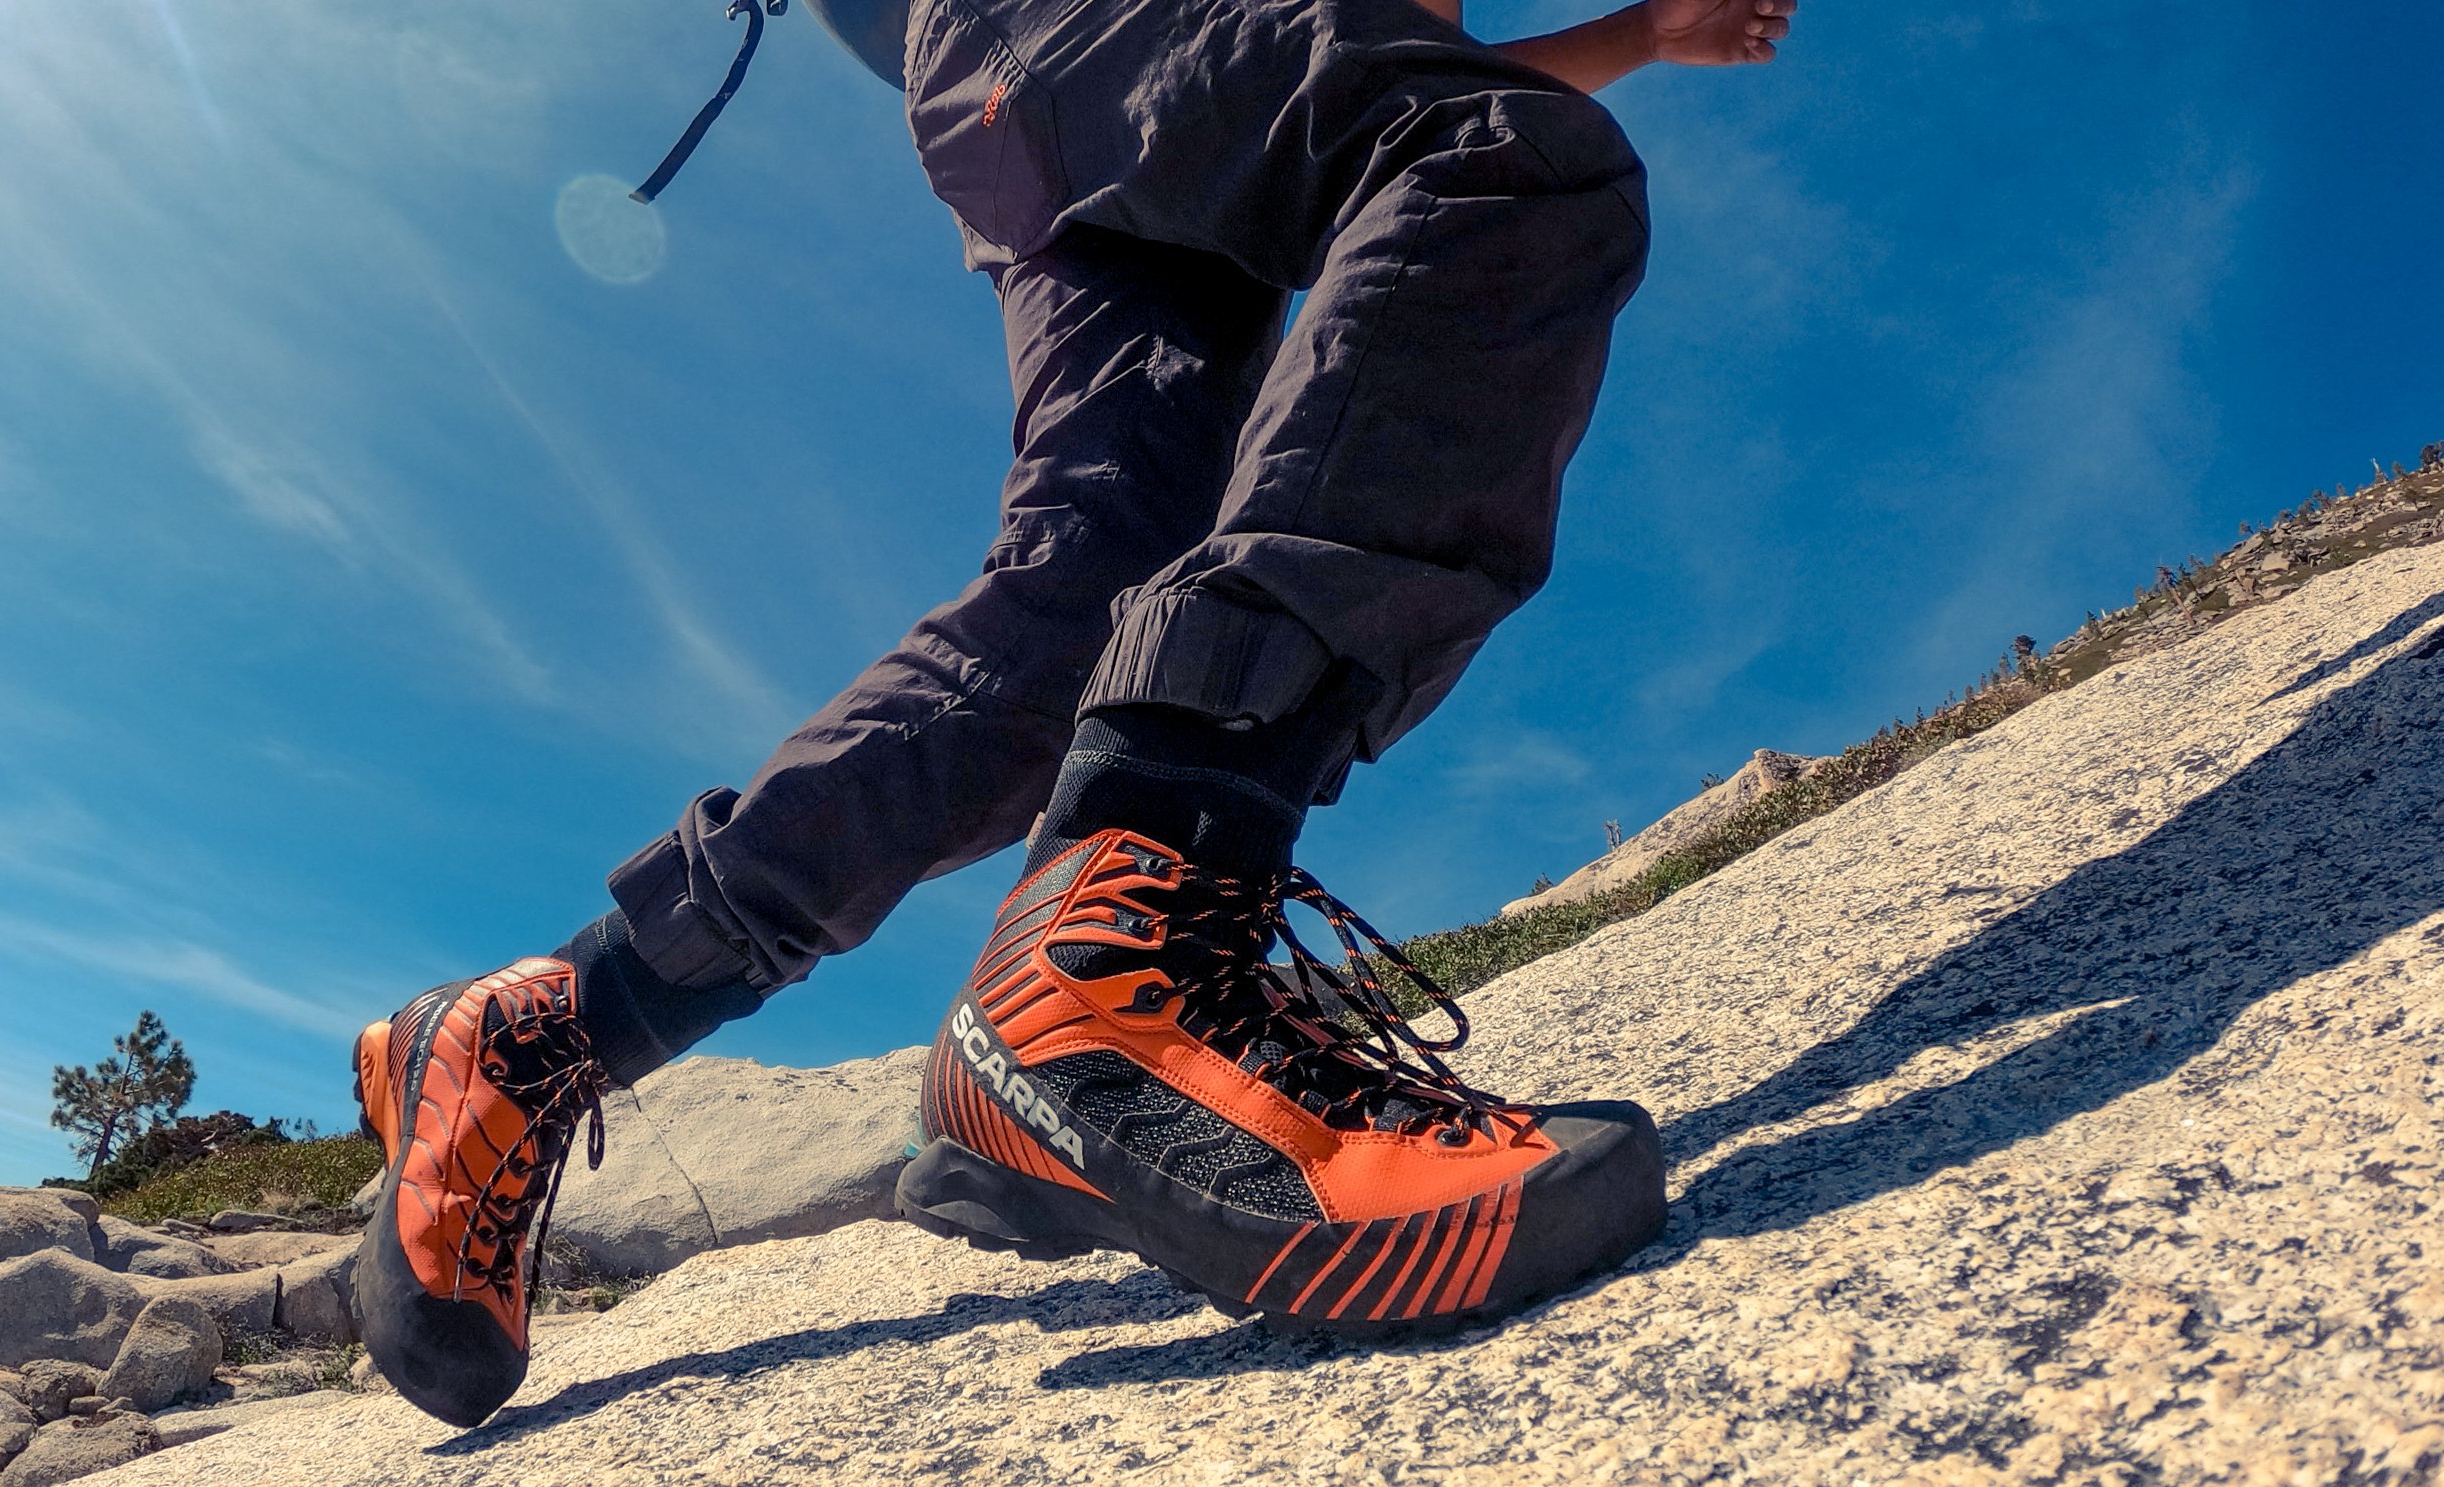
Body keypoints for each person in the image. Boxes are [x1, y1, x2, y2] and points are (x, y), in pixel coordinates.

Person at [347, 0, 1794, 1428]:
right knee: (1505, 154)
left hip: (1036, 86)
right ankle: (1108, 975)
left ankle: (555, 1023)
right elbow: (1424, 89)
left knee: (1096, 592)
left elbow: (1386, 51)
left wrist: (1639, 34)